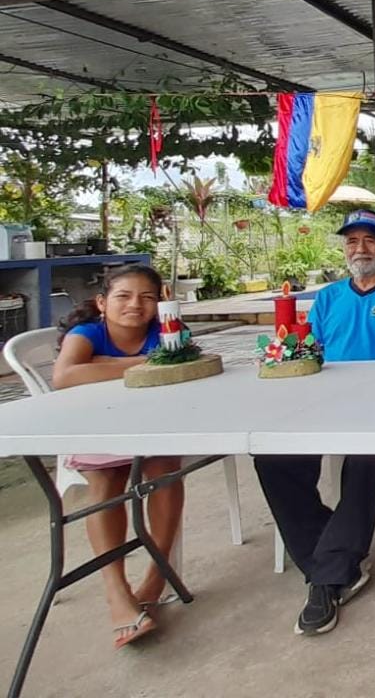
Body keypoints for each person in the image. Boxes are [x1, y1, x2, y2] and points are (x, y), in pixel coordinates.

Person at [254, 209, 375, 636]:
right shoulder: (329, 297)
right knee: (272, 458)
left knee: (366, 462)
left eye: (369, 240)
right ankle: (334, 564)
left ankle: (327, 577)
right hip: (324, 402)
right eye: (352, 241)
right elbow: (313, 354)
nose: (360, 248)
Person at [51, 264, 182, 648]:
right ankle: (116, 589)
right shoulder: (88, 333)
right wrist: (146, 363)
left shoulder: (165, 330)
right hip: (97, 426)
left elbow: (183, 361)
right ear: (102, 302)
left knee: (165, 470)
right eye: (123, 296)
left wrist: (100, 366)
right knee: (106, 480)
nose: (135, 305)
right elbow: (64, 376)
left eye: (147, 297)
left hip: (153, 425)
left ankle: (156, 577)